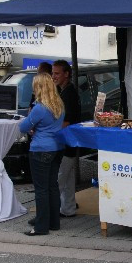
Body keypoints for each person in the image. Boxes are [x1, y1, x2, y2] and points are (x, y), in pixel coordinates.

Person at [19, 73, 65, 236]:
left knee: (41, 190)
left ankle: (41, 226)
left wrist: (33, 127)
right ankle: (54, 222)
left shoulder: (39, 108)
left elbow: (23, 127)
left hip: (40, 149)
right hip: (56, 148)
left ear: (39, 88)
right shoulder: (59, 104)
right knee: (52, 186)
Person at [52, 59, 81, 217]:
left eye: (56, 73)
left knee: (58, 180)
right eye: (53, 73)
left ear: (66, 74)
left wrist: (50, 131)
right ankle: (68, 209)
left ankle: (49, 212)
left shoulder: (68, 94)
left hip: (65, 143)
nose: (53, 76)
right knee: (68, 178)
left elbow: (66, 121)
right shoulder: (64, 91)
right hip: (69, 142)